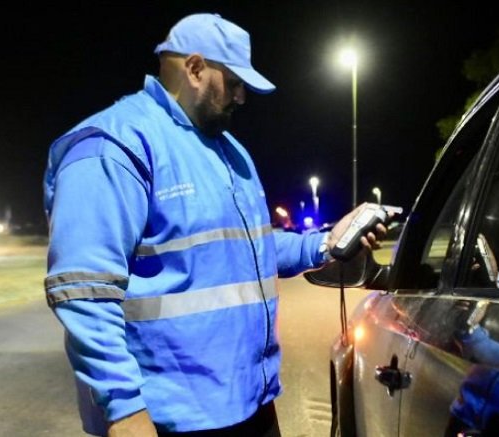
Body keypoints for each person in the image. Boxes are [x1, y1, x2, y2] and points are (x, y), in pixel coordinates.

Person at [43, 13, 386, 437]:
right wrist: (125, 412)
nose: (242, 97)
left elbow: (251, 249)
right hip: (168, 420)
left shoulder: (230, 153)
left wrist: (325, 245)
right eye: (235, 82)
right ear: (195, 68)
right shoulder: (113, 146)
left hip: (251, 405)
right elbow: (85, 292)